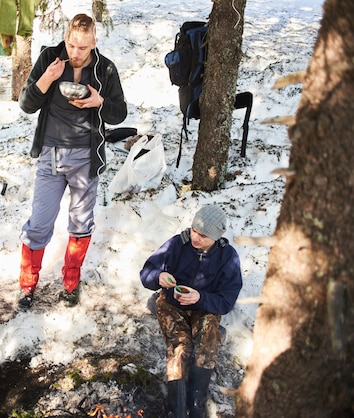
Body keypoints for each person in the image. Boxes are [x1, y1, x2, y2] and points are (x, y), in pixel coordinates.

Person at [17, 13, 127, 309]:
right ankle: (27, 286)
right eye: (71, 45)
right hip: (51, 155)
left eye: (82, 48)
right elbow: (26, 104)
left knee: (81, 224)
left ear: (94, 42)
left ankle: (71, 283)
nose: (74, 54)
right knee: (39, 225)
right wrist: (47, 78)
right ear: (65, 38)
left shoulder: (105, 69)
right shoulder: (50, 59)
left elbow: (120, 113)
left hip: (85, 158)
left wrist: (99, 102)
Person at [139, 205, 242, 418]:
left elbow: (226, 300)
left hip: (203, 306)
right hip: (171, 304)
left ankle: (197, 403)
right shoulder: (178, 244)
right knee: (180, 345)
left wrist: (201, 297)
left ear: (215, 236)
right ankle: (176, 407)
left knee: (207, 343)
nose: (195, 237)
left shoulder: (227, 256)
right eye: (194, 230)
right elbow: (147, 272)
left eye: (203, 235)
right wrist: (158, 277)